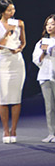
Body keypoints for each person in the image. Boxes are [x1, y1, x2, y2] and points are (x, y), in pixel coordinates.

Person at [0, 0, 26, 144]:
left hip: (17, 62)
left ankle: (14, 130)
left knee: (16, 97)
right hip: (3, 62)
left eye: (13, 9)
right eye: (9, 10)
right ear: (2, 12)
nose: (12, 12)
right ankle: (5, 130)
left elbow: (23, 42)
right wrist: (7, 32)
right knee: (3, 98)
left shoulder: (20, 23)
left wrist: (19, 49)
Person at [32, 14, 55, 143]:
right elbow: (36, 60)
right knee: (49, 106)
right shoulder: (42, 42)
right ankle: (51, 133)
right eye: (47, 24)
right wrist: (43, 52)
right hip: (45, 76)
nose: (49, 27)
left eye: (52, 24)